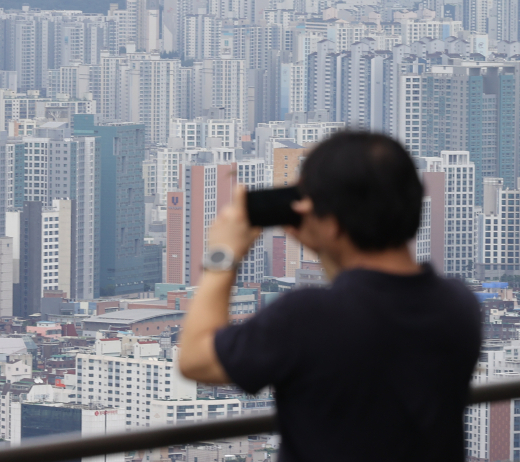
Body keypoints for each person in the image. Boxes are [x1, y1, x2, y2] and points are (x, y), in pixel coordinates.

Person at [178, 132, 481, 462]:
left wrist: (222, 254)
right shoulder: (459, 306)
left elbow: (195, 358)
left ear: (333, 224)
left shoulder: (307, 317)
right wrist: (326, 238)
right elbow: (367, 306)